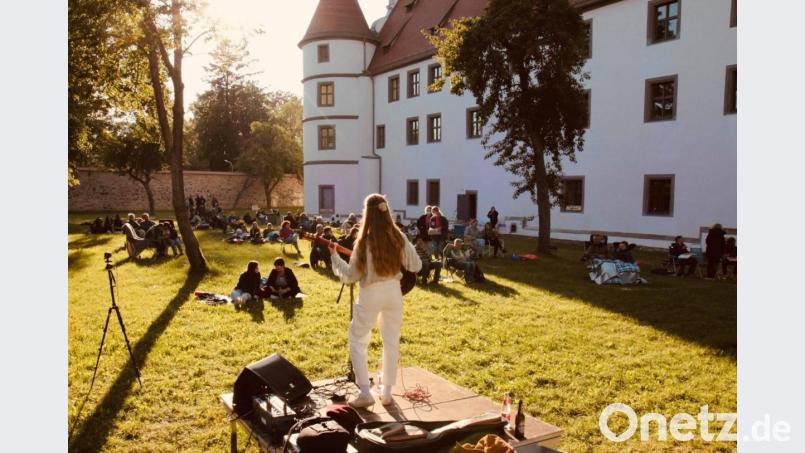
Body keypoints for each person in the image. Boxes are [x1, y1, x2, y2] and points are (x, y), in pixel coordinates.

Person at [329, 194, 422, 408]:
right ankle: (387, 392)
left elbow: (350, 276)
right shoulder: (398, 237)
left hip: (371, 293)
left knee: (357, 340)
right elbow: (416, 265)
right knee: (391, 342)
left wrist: (334, 257)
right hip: (393, 292)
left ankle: (365, 392)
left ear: (367, 213)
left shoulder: (364, 242)